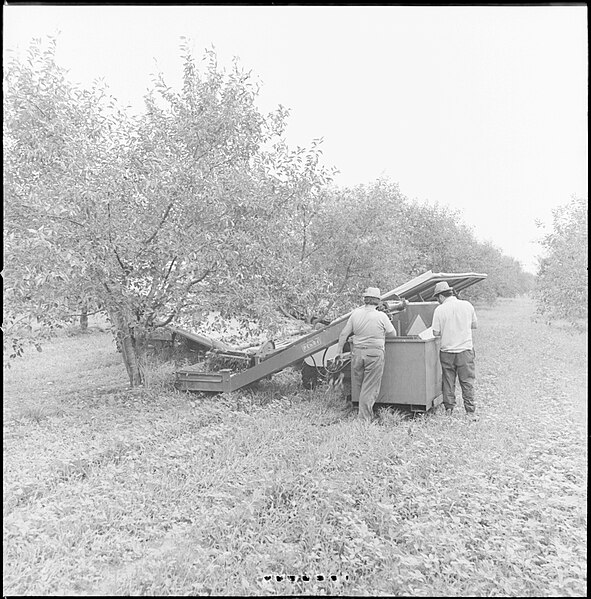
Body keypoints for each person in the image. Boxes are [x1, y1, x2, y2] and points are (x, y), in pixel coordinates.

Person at [336, 287, 397, 422]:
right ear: (378, 301)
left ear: (365, 299)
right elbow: (393, 333)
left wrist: (339, 350)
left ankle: (362, 409)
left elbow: (344, 334)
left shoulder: (355, 314)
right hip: (374, 354)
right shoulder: (381, 316)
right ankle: (364, 418)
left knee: (361, 384)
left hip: (357, 353)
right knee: (369, 387)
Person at [431, 281, 479, 421]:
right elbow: (474, 325)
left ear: (440, 296)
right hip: (465, 351)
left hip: (447, 351)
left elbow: (435, 332)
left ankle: (449, 411)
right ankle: (470, 412)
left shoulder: (439, 310)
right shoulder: (467, 305)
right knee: (467, 381)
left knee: (448, 381)